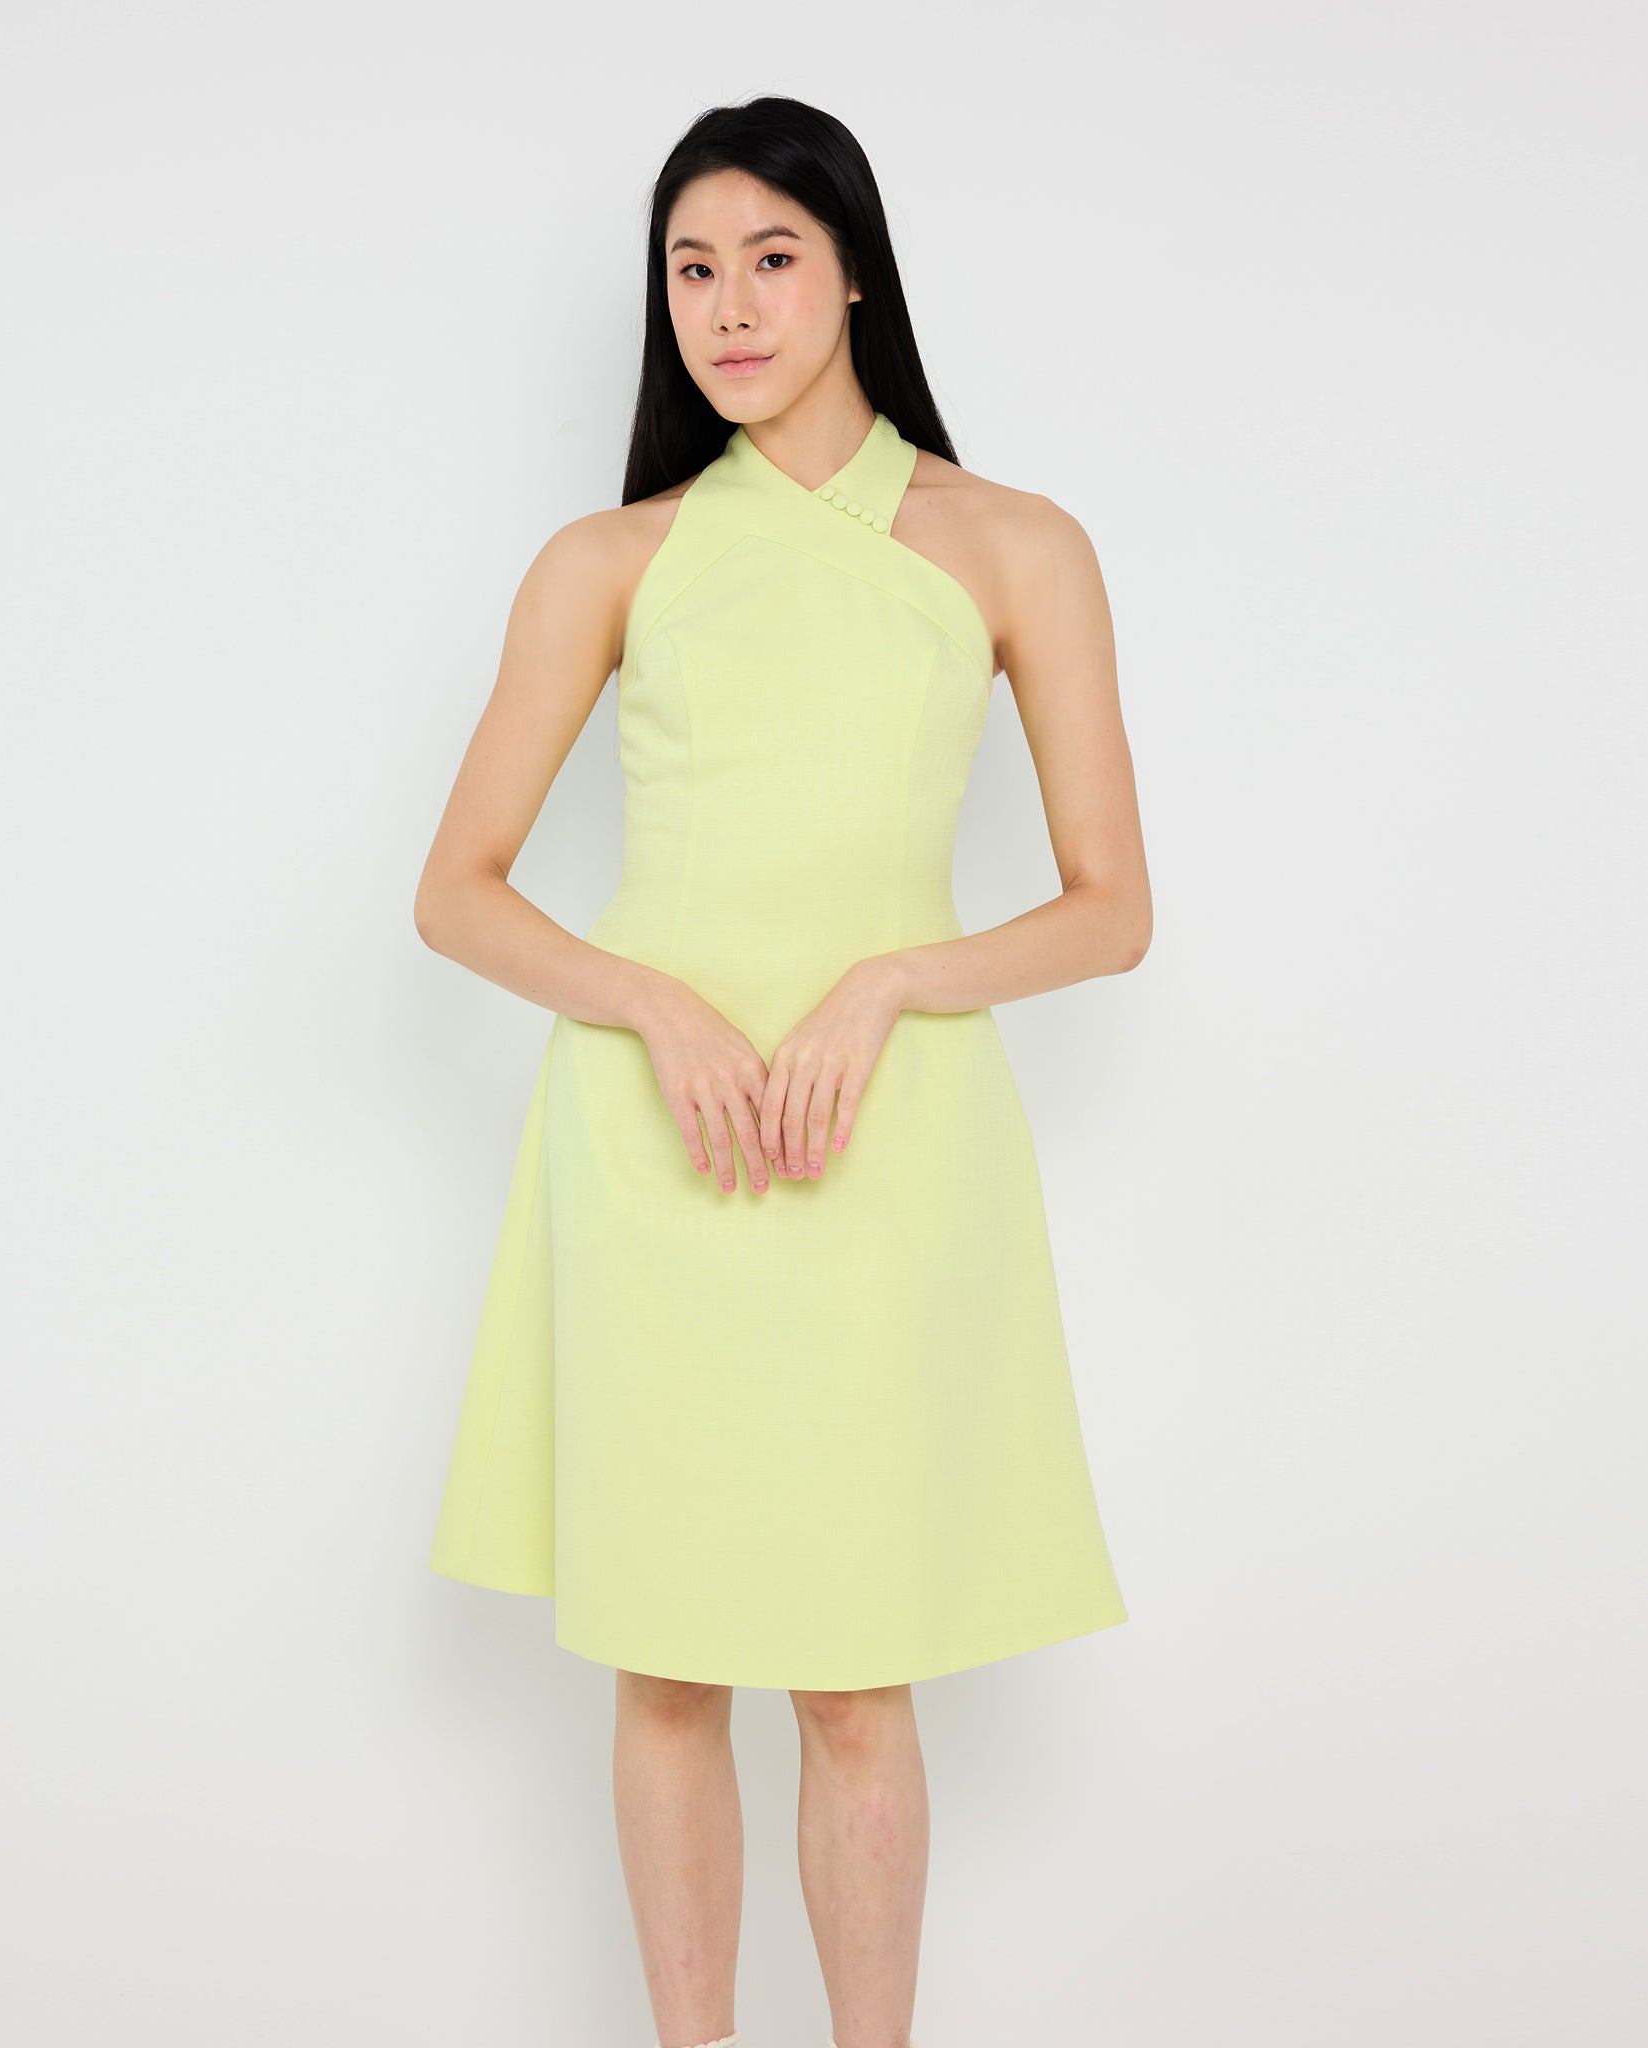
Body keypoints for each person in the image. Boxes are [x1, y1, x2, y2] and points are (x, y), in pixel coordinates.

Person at [418, 94, 1151, 2048]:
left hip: (890, 1148)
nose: (727, 307)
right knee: (664, 1661)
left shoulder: (1013, 544)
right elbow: (456, 890)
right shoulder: (613, 557)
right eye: (690, 269)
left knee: (852, 1665)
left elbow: (1110, 910)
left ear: (854, 277)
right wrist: (648, 1005)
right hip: (653, 1151)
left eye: (768, 259)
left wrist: (893, 982)